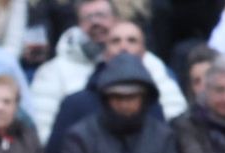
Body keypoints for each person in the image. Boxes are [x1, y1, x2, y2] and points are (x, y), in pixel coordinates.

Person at [29, 0, 183, 139]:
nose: (95, 22)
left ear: (115, 19)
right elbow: (43, 130)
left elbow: (174, 113)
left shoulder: (148, 62)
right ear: (78, 24)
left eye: (101, 15)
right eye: (88, 17)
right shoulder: (53, 71)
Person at [46, 17, 182, 153]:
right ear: (105, 53)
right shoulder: (74, 104)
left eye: (132, 40)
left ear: (144, 53)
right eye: (115, 41)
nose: (123, 47)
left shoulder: (154, 103)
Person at [55, 51, 181, 153]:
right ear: (106, 99)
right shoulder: (80, 138)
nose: (125, 104)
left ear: (145, 99)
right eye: (117, 97)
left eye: (132, 97)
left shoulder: (163, 138)